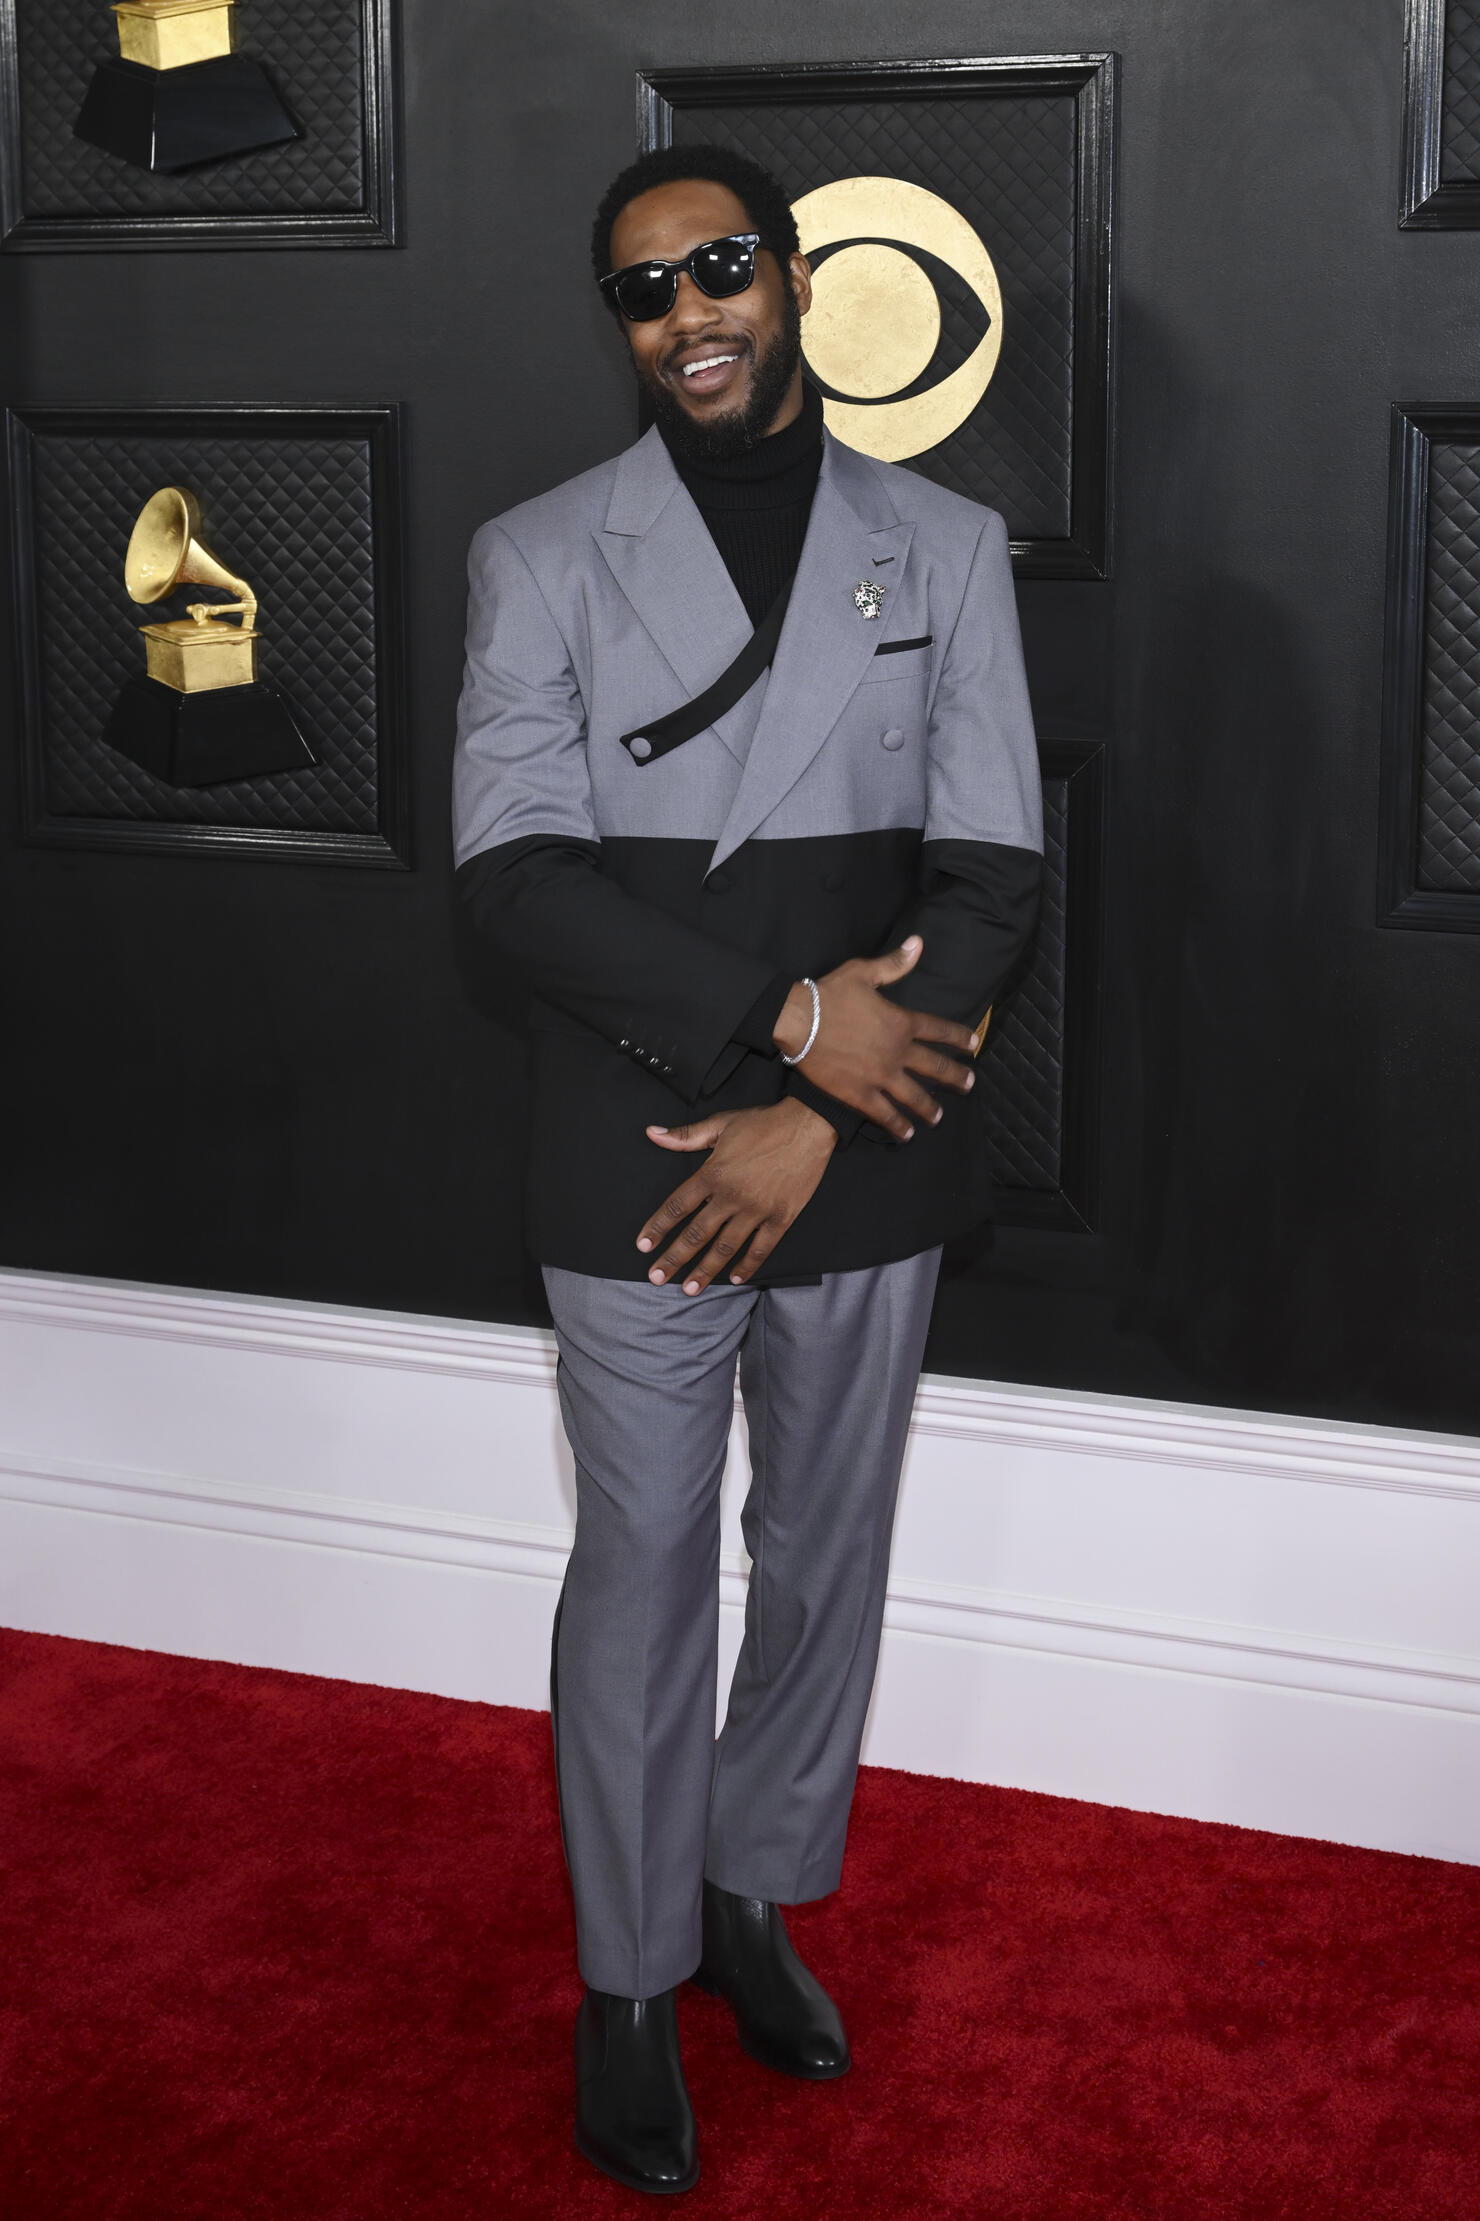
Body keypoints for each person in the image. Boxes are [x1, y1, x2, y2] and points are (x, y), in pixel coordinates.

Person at [452, 144, 1043, 2196]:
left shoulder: (943, 544)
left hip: (868, 1134)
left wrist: (823, 1098)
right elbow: (513, 875)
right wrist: (783, 1032)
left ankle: (748, 1898)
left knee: (821, 1549)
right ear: (619, 324)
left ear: (791, 278)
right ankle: (625, 1974)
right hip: (635, 1119)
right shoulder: (538, 554)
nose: (687, 311)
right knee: (636, 1566)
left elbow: (987, 871)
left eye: (717, 267)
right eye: (642, 289)